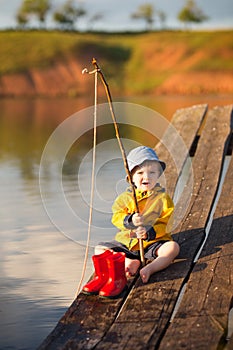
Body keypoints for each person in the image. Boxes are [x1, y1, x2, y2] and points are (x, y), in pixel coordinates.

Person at [95, 145, 180, 284]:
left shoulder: (163, 199)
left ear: (158, 175)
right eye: (140, 173)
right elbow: (116, 217)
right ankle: (128, 261)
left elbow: (167, 223)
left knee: (173, 248)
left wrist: (149, 232)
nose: (146, 176)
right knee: (99, 249)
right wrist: (130, 220)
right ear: (131, 177)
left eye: (152, 172)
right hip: (127, 243)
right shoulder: (125, 198)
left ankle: (150, 268)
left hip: (153, 243)